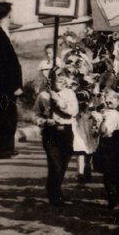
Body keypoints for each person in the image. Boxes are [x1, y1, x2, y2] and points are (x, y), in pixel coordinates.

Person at [37, 69, 78, 204]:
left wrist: (59, 101)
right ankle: (54, 194)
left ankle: (56, 189)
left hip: (66, 132)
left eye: (63, 79)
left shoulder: (69, 94)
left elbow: (73, 111)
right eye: (58, 80)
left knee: (63, 163)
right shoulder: (43, 95)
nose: (62, 82)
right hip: (51, 132)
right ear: (50, 81)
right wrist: (43, 121)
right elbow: (34, 114)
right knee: (55, 164)